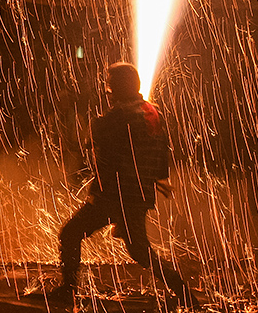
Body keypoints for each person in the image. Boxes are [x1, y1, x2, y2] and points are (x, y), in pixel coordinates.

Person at [50, 62, 199, 308]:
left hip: (114, 196)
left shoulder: (117, 116)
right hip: (137, 195)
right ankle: (184, 294)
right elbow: (162, 151)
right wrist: (157, 178)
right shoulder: (153, 112)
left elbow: (94, 141)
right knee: (140, 251)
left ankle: (68, 290)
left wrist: (93, 125)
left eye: (110, 85)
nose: (107, 91)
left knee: (71, 234)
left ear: (119, 87)